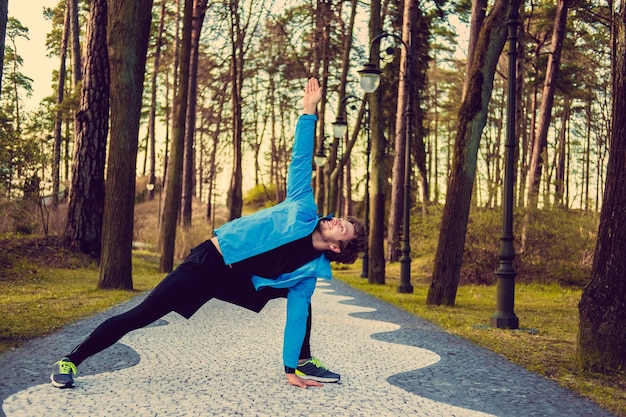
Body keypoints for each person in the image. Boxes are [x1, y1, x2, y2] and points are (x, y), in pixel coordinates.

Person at [50, 77, 367, 390]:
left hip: (243, 284)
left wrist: (288, 370)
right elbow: (300, 159)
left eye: (344, 228)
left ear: (338, 248)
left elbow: (296, 318)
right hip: (210, 262)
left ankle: (302, 360)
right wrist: (308, 112)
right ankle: (70, 361)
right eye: (342, 219)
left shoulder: (309, 272)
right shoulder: (303, 206)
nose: (338, 220)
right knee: (142, 314)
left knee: (302, 300)